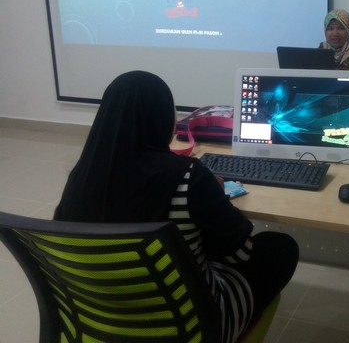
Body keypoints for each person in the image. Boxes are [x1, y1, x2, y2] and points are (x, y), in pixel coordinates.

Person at [54, 70, 299, 343]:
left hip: (101, 322)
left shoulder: (80, 178)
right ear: (163, 120)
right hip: (192, 329)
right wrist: (214, 198)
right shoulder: (188, 176)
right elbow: (242, 254)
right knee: (280, 247)